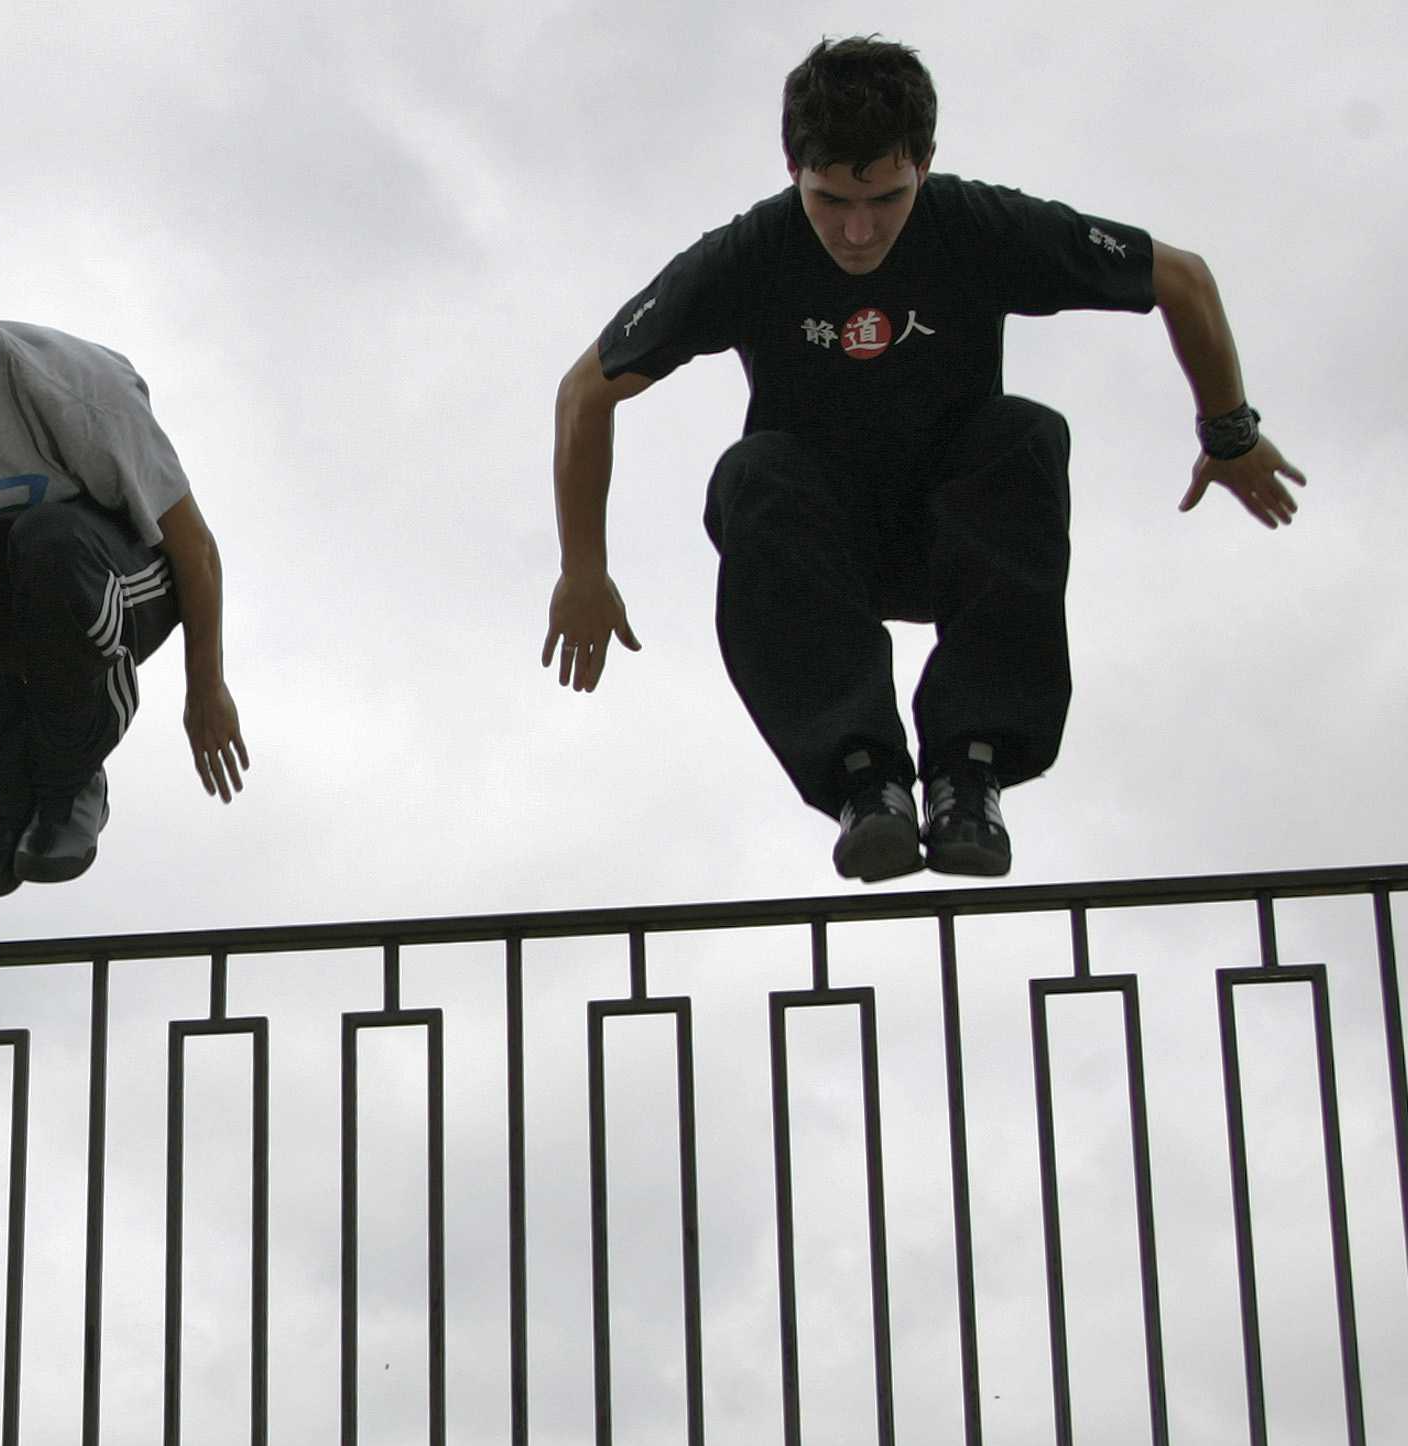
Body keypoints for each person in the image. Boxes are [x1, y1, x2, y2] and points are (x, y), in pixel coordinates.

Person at [541, 37, 1305, 881]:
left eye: (888, 200)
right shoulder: (749, 256)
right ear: (792, 166)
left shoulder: (979, 227)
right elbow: (586, 389)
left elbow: (1183, 278)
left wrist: (1228, 432)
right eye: (830, 201)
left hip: (961, 533)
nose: (858, 232)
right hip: (822, 551)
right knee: (754, 473)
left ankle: (967, 771)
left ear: (926, 166)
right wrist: (584, 568)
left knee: (1024, 434)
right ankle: (865, 781)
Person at [0, 210, 247, 898]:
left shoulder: (79, 393)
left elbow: (193, 548)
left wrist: (204, 685)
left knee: (47, 540)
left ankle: (71, 777)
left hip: (109, 584)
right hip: (1, 607)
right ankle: (3, 795)